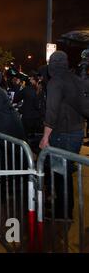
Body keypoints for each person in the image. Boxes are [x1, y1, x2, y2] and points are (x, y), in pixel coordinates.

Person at [39, 51, 85, 219]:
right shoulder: (75, 79)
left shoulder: (55, 82)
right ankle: (66, 209)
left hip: (62, 134)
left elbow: (51, 112)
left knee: (60, 174)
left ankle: (63, 212)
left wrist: (45, 137)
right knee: (65, 173)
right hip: (77, 132)